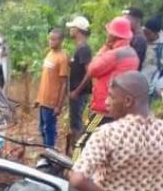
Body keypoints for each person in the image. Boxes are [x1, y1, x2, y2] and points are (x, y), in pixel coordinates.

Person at [72, 17, 139, 161]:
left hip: (103, 110)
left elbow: (92, 68)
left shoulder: (114, 54)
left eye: (109, 32)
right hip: (120, 110)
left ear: (114, 35)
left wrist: (105, 47)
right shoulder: (132, 54)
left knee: (81, 144)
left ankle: (75, 172)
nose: (107, 35)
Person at [35, 28, 69, 148]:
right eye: (50, 39)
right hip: (43, 100)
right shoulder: (49, 54)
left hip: (52, 102)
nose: (51, 42)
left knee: (49, 130)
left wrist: (59, 105)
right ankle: (46, 153)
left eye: (54, 40)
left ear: (60, 41)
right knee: (42, 128)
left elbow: (64, 83)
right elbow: (45, 79)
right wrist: (38, 99)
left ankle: (50, 155)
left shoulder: (63, 58)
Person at [66, 16, 93, 150]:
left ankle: (80, 151)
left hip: (79, 93)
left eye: (72, 28)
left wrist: (77, 91)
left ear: (78, 30)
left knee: (77, 124)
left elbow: (89, 72)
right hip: (77, 92)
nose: (70, 30)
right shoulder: (79, 48)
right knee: (75, 123)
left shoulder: (83, 49)